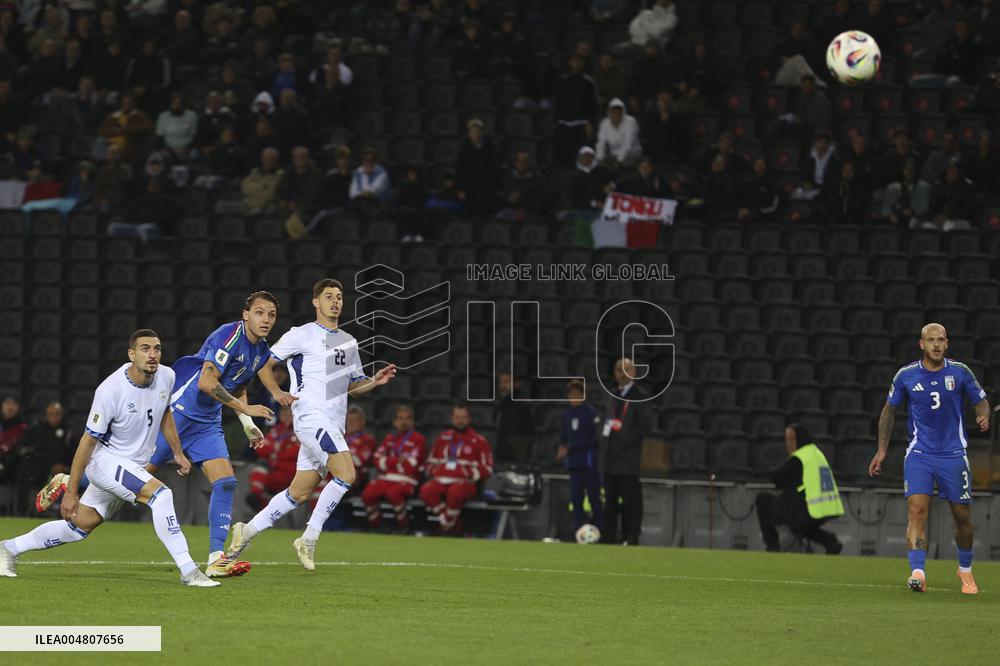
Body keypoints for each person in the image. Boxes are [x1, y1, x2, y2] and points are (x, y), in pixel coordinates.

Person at [0, 330, 218, 587]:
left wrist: (178, 452)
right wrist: (71, 493)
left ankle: (7, 548)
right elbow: (87, 442)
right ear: (131, 353)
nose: (152, 354)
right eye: (145, 348)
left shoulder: (167, 376)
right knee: (162, 495)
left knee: (79, 527)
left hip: (131, 466)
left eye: (157, 349)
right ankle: (189, 570)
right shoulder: (110, 390)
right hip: (105, 461)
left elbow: (165, 412)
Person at [226, 278, 397, 570]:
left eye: (339, 297)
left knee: (299, 493)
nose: (335, 301)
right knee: (346, 474)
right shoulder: (302, 334)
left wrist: (374, 381)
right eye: (328, 296)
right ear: (316, 302)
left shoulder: (348, 341)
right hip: (310, 416)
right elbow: (265, 362)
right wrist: (277, 393)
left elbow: (351, 386)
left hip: (332, 422)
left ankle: (245, 532)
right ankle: (309, 537)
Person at [145, 291, 292, 578]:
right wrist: (244, 407)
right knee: (131, 480)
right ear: (245, 314)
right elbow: (206, 382)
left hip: (207, 423)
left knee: (225, 483)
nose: (266, 319)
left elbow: (237, 386)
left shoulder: (260, 350)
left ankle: (216, 558)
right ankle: (75, 481)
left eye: (271, 314)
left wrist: (248, 424)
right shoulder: (229, 336)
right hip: (178, 415)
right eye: (260, 312)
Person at [869, 323, 990, 594]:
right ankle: (918, 573)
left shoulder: (960, 372)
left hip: (953, 455)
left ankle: (965, 570)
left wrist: (984, 415)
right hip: (920, 455)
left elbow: (981, 401)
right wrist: (882, 450)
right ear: (921, 344)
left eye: (941, 340)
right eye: (931, 340)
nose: (936, 344)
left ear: (947, 343)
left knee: (962, 516)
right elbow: (889, 411)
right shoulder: (906, 375)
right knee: (917, 512)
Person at [754, 423, 844, 554]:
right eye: (786, 440)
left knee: (763, 499)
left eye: (790, 439)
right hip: (825, 508)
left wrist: (766, 472)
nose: (788, 444)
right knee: (799, 524)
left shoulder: (800, 457)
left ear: (799, 439)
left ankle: (772, 545)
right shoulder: (816, 453)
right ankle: (829, 541)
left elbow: (778, 478)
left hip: (809, 508)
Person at [420, 403, 493, 533]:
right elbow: (429, 463)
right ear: (452, 418)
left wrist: (466, 473)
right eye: (457, 417)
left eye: (463, 417)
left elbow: (487, 469)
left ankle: (445, 527)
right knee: (426, 490)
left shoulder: (479, 441)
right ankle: (452, 523)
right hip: (442, 480)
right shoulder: (443, 438)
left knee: (455, 492)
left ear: (469, 419)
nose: (460, 421)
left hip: (465, 483)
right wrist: (437, 471)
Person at [601, 358, 650, 546]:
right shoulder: (613, 395)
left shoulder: (640, 396)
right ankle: (609, 536)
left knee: (631, 501)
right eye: (618, 369)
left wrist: (624, 441)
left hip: (628, 458)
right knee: (610, 501)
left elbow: (644, 427)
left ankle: (631, 536)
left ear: (634, 372)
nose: (621, 373)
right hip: (610, 458)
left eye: (626, 369)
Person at [362, 405, 426, 531]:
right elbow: (376, 460)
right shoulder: (390, 438)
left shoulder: (419, 439)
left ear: (412, 422)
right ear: (395, 422)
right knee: (367, 494)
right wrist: (398, 461)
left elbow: (411, 466)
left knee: (393, 493)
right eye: (400, 418)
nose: (404, 422)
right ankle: (377, 526)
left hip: (408, 480)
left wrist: (387, 462)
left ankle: (403, 525)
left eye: (407, 418)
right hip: (386, 478)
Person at [558, 381, 604, 532]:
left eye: (578, 394)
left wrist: (571, 446)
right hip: (574, 465)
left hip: (589, 464)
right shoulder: (566, 415)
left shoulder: (591, 413)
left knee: (594, 498)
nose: (575, 397)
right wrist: (562, 448)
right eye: (572, 394)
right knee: (575, 499)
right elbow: (564, 437)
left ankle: (600, 530)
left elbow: (594, 439)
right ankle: (579, 530)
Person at [15, 403, 72, 515]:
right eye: (51, 414)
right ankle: (23, 510)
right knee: (24, 470)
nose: (54, 417)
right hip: (39, 467)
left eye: (57, 414)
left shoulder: (67, 433)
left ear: (62, 415)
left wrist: (65, 466)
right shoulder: (37, 430)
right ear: (46, 415)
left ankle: (61, 512)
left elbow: (72, 453)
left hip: (61, 469)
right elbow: (22, 446)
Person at [248, 405, 299, 511]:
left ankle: (262, 502)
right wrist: (278, 450)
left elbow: (295, 453)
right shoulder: (276, 430)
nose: (285, 414)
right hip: (274, 468)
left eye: (288, 411)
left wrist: (274, 452)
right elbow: (261, 449)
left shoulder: (298, 430)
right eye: (283, 411)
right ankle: (258, 498)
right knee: (259, 467)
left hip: (291, 472)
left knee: (267, 479)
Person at [494, 373, 535, 464]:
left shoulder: (523, 407)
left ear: (516, 384)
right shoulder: (501, 406)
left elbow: (526, 436)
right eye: (501, 382)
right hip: (501, 458)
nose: (503, 386)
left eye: (507, 382)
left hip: (516, 460)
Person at [595, 98, 641, 170]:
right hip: (613, 155)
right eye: (613, 112)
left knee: (624, 163)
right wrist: (599, 159)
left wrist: (619, 160)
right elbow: (601, 143)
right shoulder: (604, 123)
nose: (616, 115)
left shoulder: (631, 122)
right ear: (609, 113)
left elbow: (627, 144)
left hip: (631, 153)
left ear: (623, 112)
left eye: (619, 112)